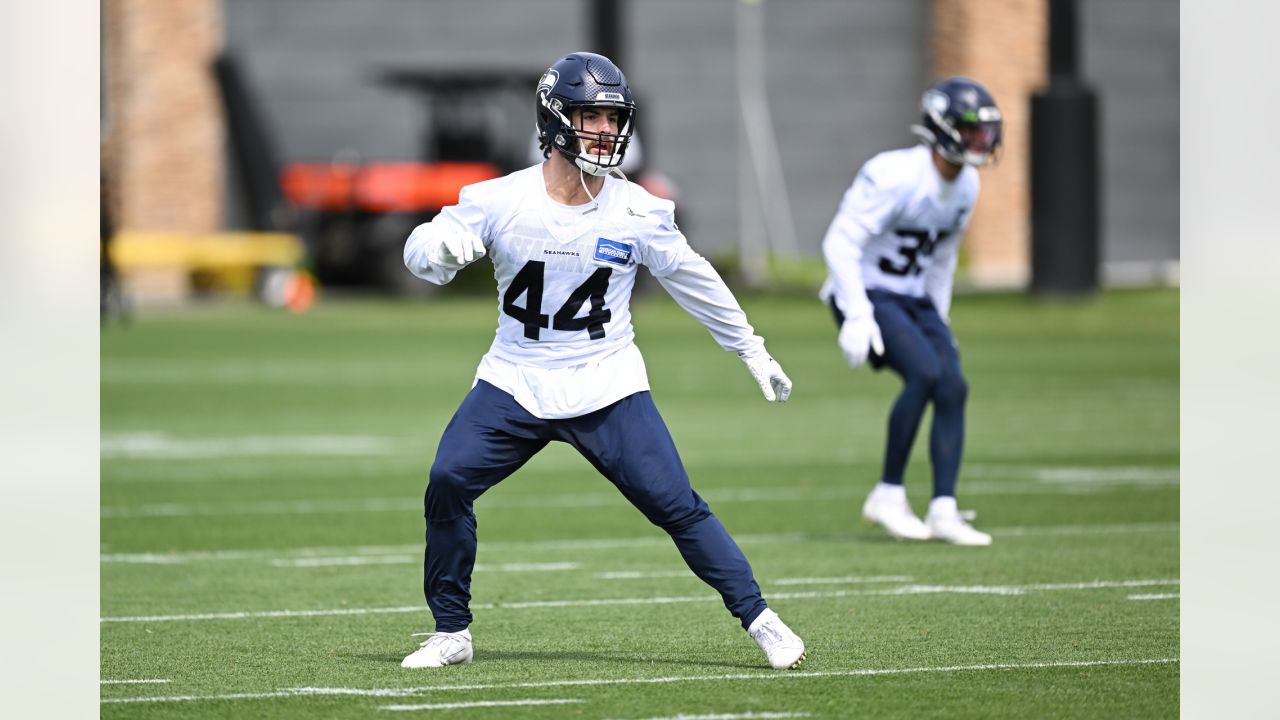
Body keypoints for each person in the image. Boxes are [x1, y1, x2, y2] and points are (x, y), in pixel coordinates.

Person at [400, 52, 805, 670]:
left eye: (613, 119)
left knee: (677, 505)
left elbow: (694, 278)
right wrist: (439, 248)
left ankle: (761, 618)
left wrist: (749, 345)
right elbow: (420, 247)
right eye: (591, 117)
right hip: (516, 377)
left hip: (605, 381)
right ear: (556, 120)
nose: (607, 132)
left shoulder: (637, 209)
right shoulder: (500, 198)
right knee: (448, 480)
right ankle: (451, 630)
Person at [820, 77, 1003, 547]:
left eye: (984, 131)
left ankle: (943, 507)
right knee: (923, 373)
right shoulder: (895, 174)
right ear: (942, 127)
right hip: (868, 291)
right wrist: (856, 313)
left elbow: (940, 263)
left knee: (953, 384)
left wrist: (941, 325)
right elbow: (840, 242)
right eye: (970, 130)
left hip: (913, 298)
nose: (980, 141)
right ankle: (888, 494)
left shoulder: (967, 185)